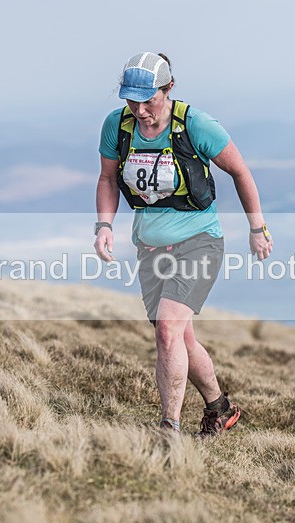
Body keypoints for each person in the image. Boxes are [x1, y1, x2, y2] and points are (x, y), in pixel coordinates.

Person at [93, 52, 273, 437]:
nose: (140, 110)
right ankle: (219, 408)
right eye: (131, 100)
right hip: (150, 248)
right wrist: (104, 226)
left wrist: (256, 229)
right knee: (181, 338)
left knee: (167, 331)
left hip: (199, 242)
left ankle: (168, 429)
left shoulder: (196, 124)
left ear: (169, 88)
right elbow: (108, 179)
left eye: (149, 100)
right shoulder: (117, 126)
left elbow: (240, 171)